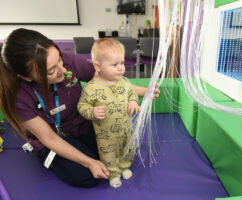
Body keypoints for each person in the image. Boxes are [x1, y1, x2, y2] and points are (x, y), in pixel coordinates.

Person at [0, 28, 160, 187]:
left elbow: (106, 78)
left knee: (117, 150)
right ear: (26, 77)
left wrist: (144, 92)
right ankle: (49, 156)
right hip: (55, 137)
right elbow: (48, 137)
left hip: (82, 124)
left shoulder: (70, 63)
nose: (63, 70)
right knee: (88, 175)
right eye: (51, 71)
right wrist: (89, 163)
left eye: (60, 60)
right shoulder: (19, 97)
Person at [77, 38, 139, 188]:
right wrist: (91, 111)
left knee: (128, 148)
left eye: (122, 63)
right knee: (108, 153)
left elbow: (132, 94)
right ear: (98, 66)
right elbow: (82, 106)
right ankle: (114, 173)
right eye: (114, 65)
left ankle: (124, 166)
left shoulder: (124, 81)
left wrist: (133, 102)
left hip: (126, 129)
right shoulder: (91, 88)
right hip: (106, 133)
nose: (120, 68)